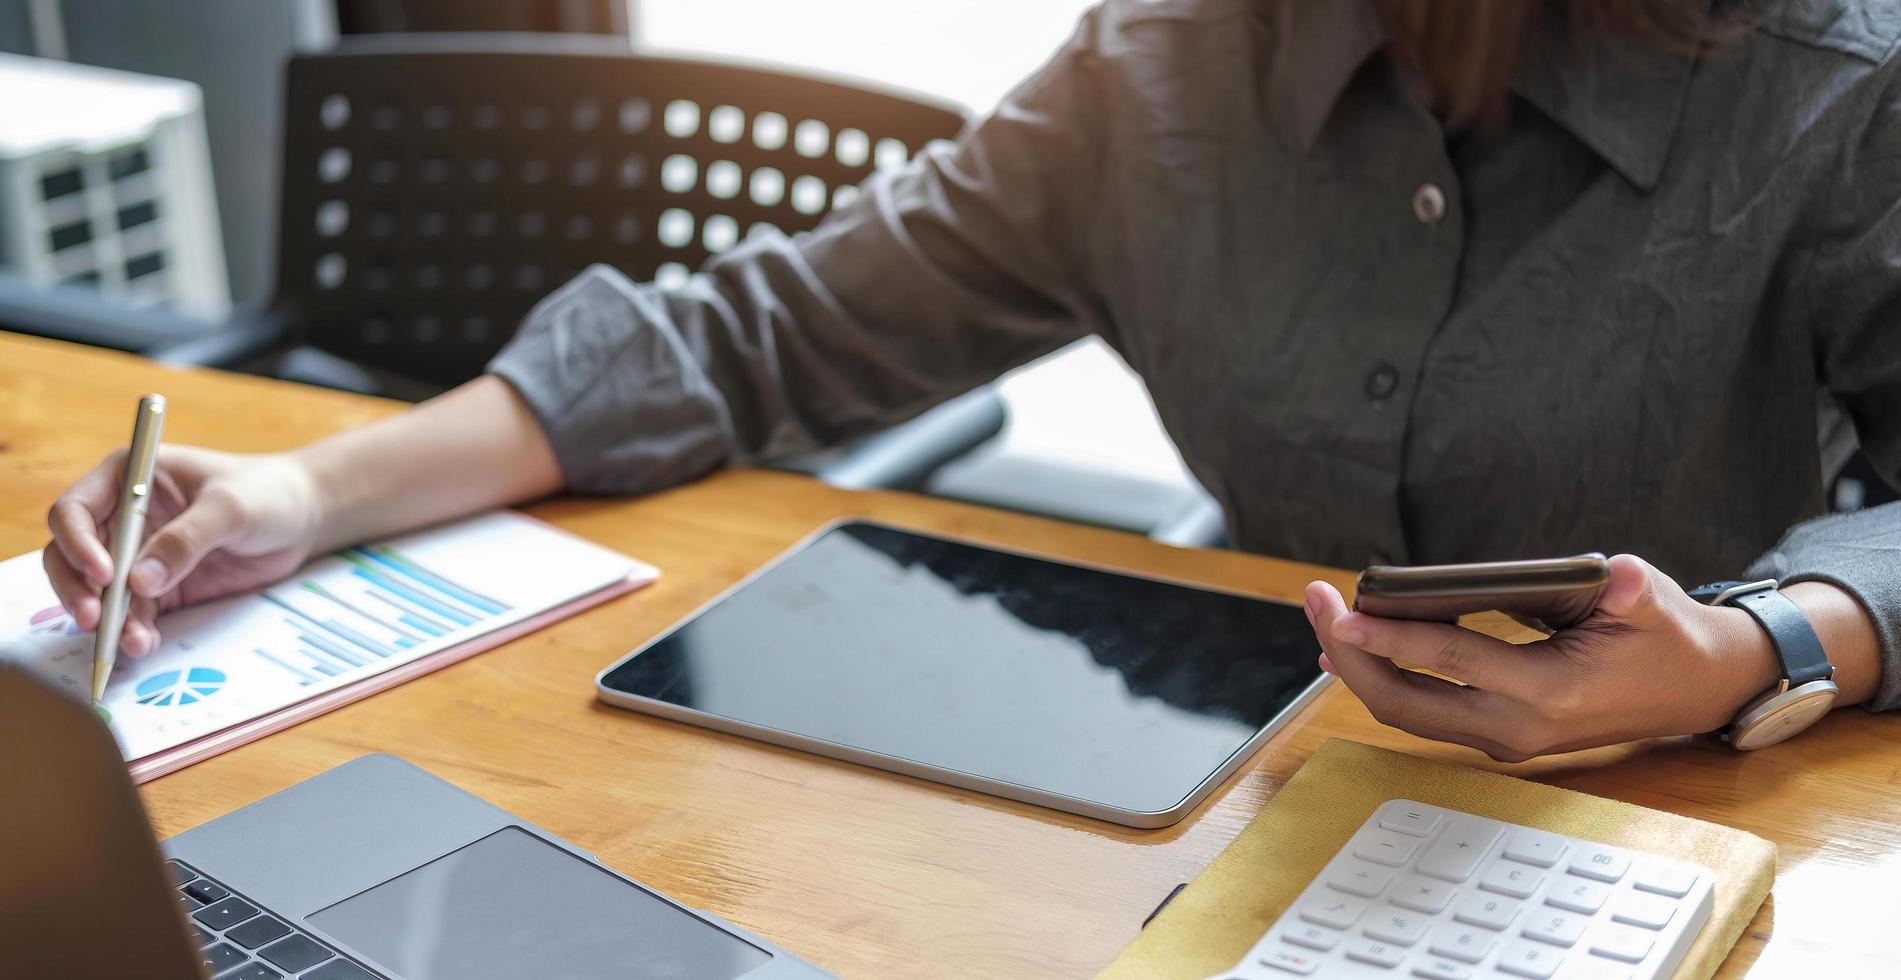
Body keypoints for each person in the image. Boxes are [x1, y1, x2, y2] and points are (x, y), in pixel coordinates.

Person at [42, 0, 1900, 761]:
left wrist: (1761, 647)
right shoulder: (1165, 68)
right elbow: (752, 331)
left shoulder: (1831, 89)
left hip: (1709, 810)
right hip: (1269, 812)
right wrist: (302, 494)